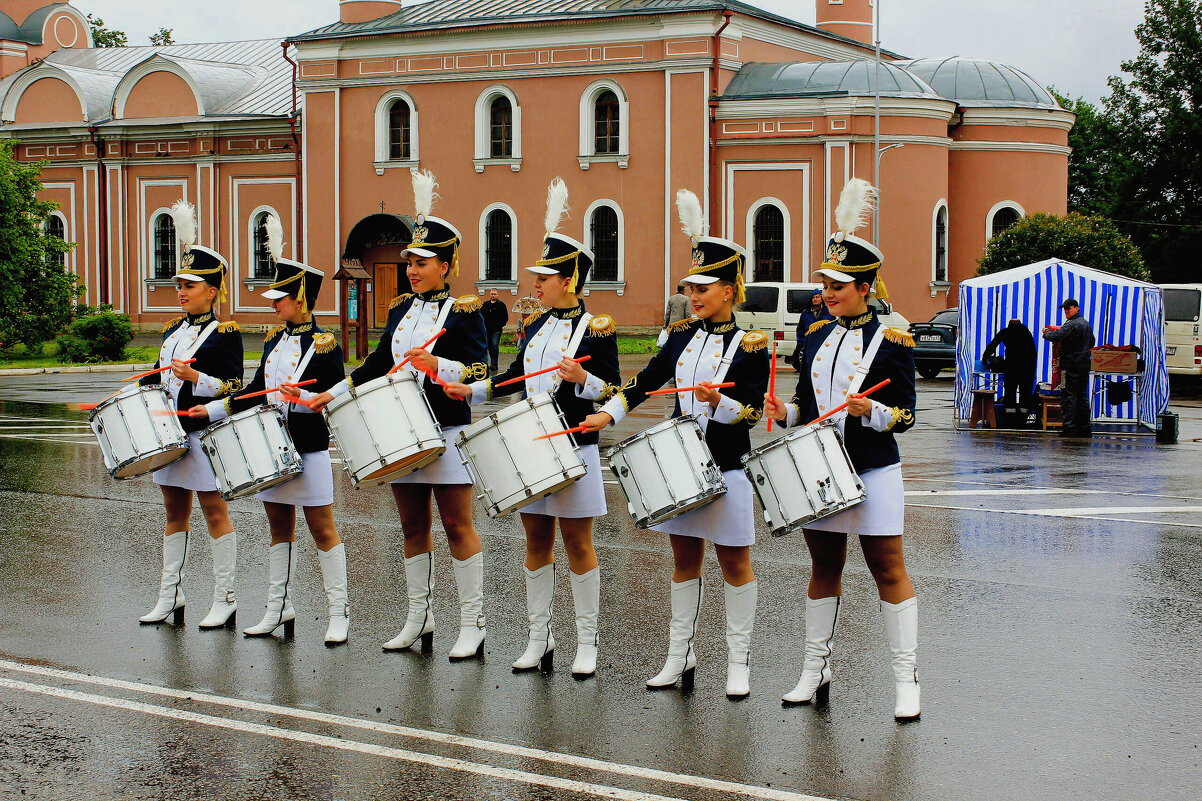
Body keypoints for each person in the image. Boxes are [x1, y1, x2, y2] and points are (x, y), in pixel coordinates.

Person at [582, 189, 768, 699]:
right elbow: (643, 383)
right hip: (682, 466)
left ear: (730, 290)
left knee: (734, 563)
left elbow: (751, 409)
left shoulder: (750, 344)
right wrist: (606, 414)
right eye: (691, 285)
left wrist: (719, 403)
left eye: (705, 287)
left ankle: (738, 663)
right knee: (683, 561)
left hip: (727, 465)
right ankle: (678, 657)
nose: (694, 293)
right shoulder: (680, 335)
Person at [309, 169, 489, 660]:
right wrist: (336, 390)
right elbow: (378, 361)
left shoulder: (465, 311)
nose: (412, 269)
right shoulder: (400, 309)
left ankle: (472, 623)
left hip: (446, 429)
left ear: (447, 265)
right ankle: (419, 617)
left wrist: (441, 365)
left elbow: (480, 367)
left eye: (423, 262)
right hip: (400, 434)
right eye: (410, 260)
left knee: (457, 526)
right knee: (412, 528)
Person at [444, 178, 621, 678]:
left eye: (544, 277)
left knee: (579, 544)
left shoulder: (597, 328)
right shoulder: (538, 326)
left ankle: (586, 643)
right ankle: (538, 639)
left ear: (568, 279)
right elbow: (513, 378)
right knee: (535, 542)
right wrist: (471, 390)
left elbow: (612, 391)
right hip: (530, 446)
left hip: (574, 446)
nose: (536, 284)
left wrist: (584, 378)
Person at [763, 178, 921, 721]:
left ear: (867, 286)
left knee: (886, 565)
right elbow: (808, 402)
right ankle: (814, 670)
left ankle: (906, 680)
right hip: (818, 468)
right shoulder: (814, 337)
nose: (829, 291)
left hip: (874, 467)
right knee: (822, 565)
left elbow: (906, 413)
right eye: (827, 283)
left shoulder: (893, 339)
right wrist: (787, 413)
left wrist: (869, 411)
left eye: (841, 283)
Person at [190, 228, 350, 644]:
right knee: (278, 529)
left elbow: (334, 395)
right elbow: (255, 389)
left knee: (322, 528)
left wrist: (310, 395)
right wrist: (211, 408)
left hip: (309, 445)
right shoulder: (274, 340)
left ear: (300, 298)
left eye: (280, 298)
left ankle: (339, 613)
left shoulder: (326, 344)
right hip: (271, 447)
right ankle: (279, 608)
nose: (274, 305)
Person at [137, 200, 244, 629]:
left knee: (215, 513)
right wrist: (141, 385)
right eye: (180, 284)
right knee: (173, 515)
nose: (181, 291)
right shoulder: (172, 330)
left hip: (202, 435)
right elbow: (163, 378)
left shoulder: (226, 334)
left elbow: (235, 387)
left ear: (212, 291)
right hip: (170, 435)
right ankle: (170, 596)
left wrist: (197, 376)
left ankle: (226, 598)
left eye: (191, 285)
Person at [1043, 298, 1095, 437]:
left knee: (1069, 396)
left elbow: (1057, 336)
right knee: (1082, 396)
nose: (1066, 311)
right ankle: (1084, 428)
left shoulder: (1071, 324)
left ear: (1076, 308)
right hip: (1084, 364)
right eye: (1065, 309)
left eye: (1069, 308)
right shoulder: (1086, 324)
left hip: (1071, 365)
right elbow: (1092, 341)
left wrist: (1046, 333)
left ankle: (1070, 427)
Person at [982, 319, 1037, 420]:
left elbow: (993, 345)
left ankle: (1009, 417)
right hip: (1027, 367)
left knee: (1010, 391)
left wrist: (985, 357)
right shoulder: (1027, 333)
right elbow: (1033, 352)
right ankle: (1023, 418)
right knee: (1025, 392)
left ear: (1009, 325)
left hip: (1012, 366)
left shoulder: (1005, 332)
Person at [792, 290, 830, 368]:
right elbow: (800, 328)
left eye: (817, 297)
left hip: (822, 343)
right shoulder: (806, 313)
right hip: (808, 342)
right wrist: (801, 341)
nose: (815, 299)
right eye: (813, 297)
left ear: (822, 299)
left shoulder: (828, 312)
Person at [481, 288, 508, 374]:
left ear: (497, 295)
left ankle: (494, 364)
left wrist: (500, 325)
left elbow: (505, 317)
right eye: (492, 294)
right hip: (486, 329)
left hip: (496, 329)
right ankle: (489, 363)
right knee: (488, 347)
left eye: (495, 294)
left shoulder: (501, 305)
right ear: (490, 294)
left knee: (495, 346)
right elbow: (481, 315)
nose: (493, 295)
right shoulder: (485, 304)